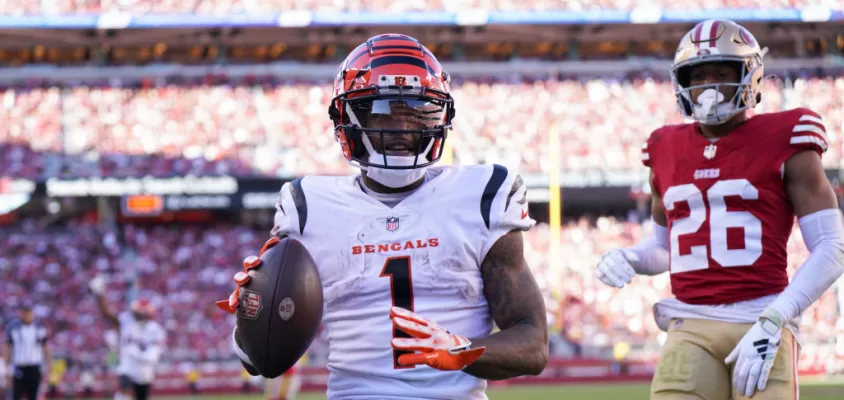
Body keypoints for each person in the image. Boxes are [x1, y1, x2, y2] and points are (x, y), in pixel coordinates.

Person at [217, 33, 549, 399]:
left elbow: (533, 344)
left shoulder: (484, 194)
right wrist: (253, 312)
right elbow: (258, 361)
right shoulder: (307, 205)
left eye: (417, 112)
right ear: (345, 118)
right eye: (382, 111)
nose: (402, 129)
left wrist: (459, 350)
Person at [596, 19, 844, 400]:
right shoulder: (663, 146)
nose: (708, 85)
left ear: (750, 77)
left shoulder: (787, 134)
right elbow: (666, 250)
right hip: (691, 323)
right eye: (699, 74)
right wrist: (631, 256)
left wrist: (778, 317)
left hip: (763, 316)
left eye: (722, 73)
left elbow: (832, 245)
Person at [89, 276, 166, 400]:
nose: (139, 315)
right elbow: (107, 314)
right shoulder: (126, 321)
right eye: (137, 312)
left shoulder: (155, 330)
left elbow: (155, 353)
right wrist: (99, 295)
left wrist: (141, 354)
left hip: (144, 370)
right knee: (124, 392)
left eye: (142, 313)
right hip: (128, 367)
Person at [3, 303, 51, 400]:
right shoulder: (13, 328)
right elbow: (7, 348)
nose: (27, 315)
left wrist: (49, 365)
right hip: (18, 367)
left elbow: (45, 347)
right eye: (24, 312)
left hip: (34, 367)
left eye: (29, 312)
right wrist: (7, 368)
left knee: (33, 395)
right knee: (15, 395)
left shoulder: (39, 328)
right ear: (21, 313)